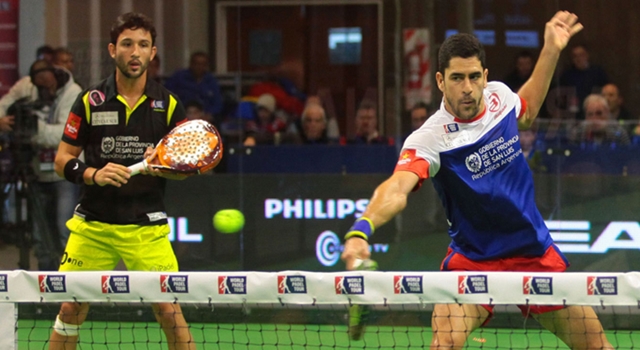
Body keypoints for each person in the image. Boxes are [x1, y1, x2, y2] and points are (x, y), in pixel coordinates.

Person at [341, 12, 613, 349]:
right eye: (457, 78)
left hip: (533, 253)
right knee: (444, 345)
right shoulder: (429, 138)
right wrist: (361, 229)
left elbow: (525, 110)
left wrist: (551, 50)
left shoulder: (499, 97)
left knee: (598, 347)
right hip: (473, 260)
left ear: (485, 76)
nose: (467, 88)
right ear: (440, 81)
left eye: (473, 77)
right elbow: (398, 187)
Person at [49, 12, 195, 350]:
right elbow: (61, 160)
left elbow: (186, 166)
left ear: (153, 53)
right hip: (94, 225)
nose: (135, 52)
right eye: (127, 44)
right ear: (113, 50)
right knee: (71, 307)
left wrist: (163, 166)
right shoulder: (89, 101)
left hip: (146, 226)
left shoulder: (169, 105)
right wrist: (92, 174)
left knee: (168, 309)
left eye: (143, 45)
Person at [0, 59, 82, 270]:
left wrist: (37, 130)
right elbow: (3, 106)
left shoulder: (74, 93)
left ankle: (69, 283)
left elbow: (66, 134)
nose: (45, 88)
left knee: (65, 230)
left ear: (55, 75)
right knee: (39, 236)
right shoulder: (25, 86)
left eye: (48, 83)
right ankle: (46, 284)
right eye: (40, 84)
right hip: (37, 171)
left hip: (65, 173)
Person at [165, 51, 223, 120]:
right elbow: (167, 96)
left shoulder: (211, 80)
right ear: (191, 64)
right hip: (181, 116)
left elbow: (217, 102)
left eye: (203, 64)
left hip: (205, 118)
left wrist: (209, 114)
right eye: (197, 64)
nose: (199, 67)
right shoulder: (179, 77)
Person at [559, 44, 608, 119]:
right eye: (575, 56)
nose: (578, 58)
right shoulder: (567, 75)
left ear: (587, 55)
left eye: (581, 55)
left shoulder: (597, 73)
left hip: (595, 113)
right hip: (573, 115)